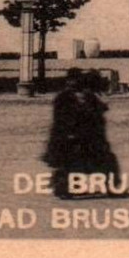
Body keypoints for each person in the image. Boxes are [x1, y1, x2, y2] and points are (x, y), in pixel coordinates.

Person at [44, 69, 90, 199]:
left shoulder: (75, 96)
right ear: (69, 81)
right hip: (64, 134)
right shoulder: (64, 97)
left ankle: (73, 186)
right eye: (73, 80)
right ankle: (62, 189)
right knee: (66, 163)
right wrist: (69, 132)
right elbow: (61, 117)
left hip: (71, 134)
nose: (75, 83)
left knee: (74, 161)